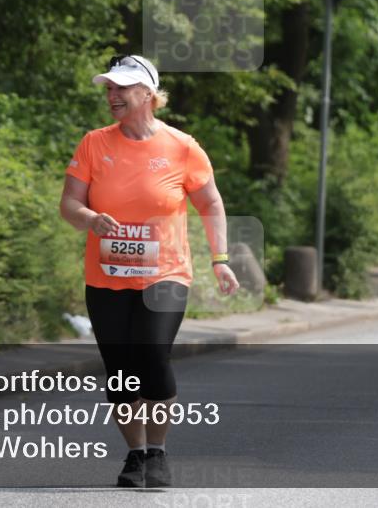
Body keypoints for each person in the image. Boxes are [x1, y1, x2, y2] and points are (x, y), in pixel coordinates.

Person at [59, 54, 239, 488]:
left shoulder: (182, 147)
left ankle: (157, 451)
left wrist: (220, 260)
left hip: (166, 274)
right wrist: (90, 219)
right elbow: (69, 204)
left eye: (122, 87)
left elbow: (210, 203)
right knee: (120, 370)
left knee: (153, 355)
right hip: (106, 277)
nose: (112, 95)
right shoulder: (94, 144)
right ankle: (135, 453)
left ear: (148, 93)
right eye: (109, 88)